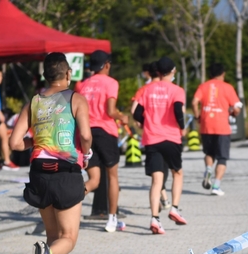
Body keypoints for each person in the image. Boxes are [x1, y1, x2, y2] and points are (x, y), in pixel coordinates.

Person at [9, 52, 92, 254]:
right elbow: (86, 136)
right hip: (65, 173)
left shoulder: (33, 102)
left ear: (45, 76)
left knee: (53, 234)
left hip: (39, 174)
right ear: (68, 74)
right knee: (68, 238)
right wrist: (87, 152)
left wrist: (36, 141)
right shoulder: (76, 99)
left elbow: (14, 143)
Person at [133, 56, 187, 234]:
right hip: (171, 137)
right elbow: (178, 110)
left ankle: (155, 218)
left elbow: (137, 113)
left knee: (157, 180)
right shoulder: (177, 90)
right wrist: (182, 127)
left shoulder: (148, 89)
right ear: (172, 71)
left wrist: (146, 123)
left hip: (152, 139)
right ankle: (174, 208)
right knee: (177, 173)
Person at [76, 50, 128, 233]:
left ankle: (66, 204)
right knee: (112, 176)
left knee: (94, 180)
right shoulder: (111, 83)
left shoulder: (82, 85)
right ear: (106, 65)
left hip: (86, 133)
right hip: (106, 132)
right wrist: (123, 117)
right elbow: (111, 111)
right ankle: (112, 218)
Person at [192, 63, 242, 196]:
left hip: (206, 125)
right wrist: (233, 113)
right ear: (223, 74)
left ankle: (208, 169)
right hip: (222, 127)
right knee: (222, 158)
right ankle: (216, 186)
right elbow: (237, 108)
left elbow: (194, 102)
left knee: (209, 153)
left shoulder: (203, 86)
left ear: (210, 74)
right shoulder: (228, 87)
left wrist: (197, 116)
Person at [131, 62, 171, 211]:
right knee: (164, 167)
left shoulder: (144, 89)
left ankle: (162, 198)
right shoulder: (169, 88)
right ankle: (163, 198)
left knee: (156, 169)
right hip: (168, 134)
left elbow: (134, 110)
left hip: (151, 134)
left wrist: (143, 122)